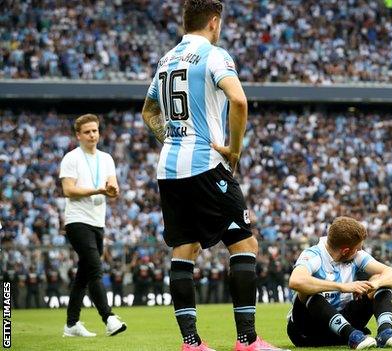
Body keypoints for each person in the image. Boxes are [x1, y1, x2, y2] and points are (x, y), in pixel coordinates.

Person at [141, 1, 285, 350]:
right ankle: (247, 340)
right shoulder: (215, 54)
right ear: (214, 22)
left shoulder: (165, 60)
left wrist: (173, 138)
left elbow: (148, 112)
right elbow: (239, 101)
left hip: (169, 167)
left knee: (184, 249)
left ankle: (191, 343)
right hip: (205, 164)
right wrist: (234, 150)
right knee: (244, 243)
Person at [287, 216, 392, 349]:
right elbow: (295, 281)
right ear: (346, 251)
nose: (360, 251)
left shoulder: (356, 255)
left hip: (342, 325)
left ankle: (385, 333)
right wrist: (342, 287)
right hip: (308, 332)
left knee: (380, 280)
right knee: (305, 292)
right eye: (358, 248)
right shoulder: (314, 255)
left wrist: (374, 285)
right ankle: (352, 336)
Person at [59, 113, 127, 337]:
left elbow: (112, 187)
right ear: (78, 135)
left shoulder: (107, 158)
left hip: (98, 222)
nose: (92, 135)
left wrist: (112, 190)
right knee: (96, 269)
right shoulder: (71, 158)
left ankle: (71, 325)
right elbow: (68, 190)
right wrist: (98, 190)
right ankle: (109, 318)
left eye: (95, 131)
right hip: (77, 221)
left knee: (84, 275)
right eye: (87, 132)